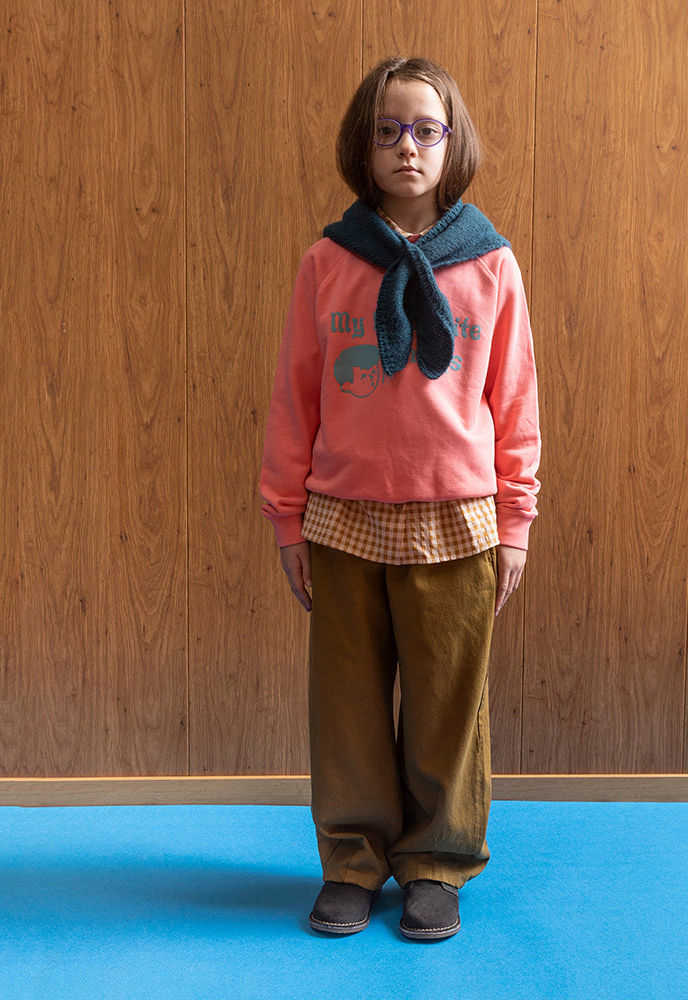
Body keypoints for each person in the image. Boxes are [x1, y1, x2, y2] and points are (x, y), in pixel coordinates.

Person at [259, 55, 540, 941]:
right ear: (364, 144)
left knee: (448, 703)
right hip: (342, 518)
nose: (406, 147)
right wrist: (286, 516)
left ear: (451, 144)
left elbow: (515, 403)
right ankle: (352, 858)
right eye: (387, 131)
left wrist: (517, 520)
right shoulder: (329, 261)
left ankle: (436, 862)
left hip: (458, 521)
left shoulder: (491, 266)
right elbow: (296, 393)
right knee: (345, 702)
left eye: (425, 129)